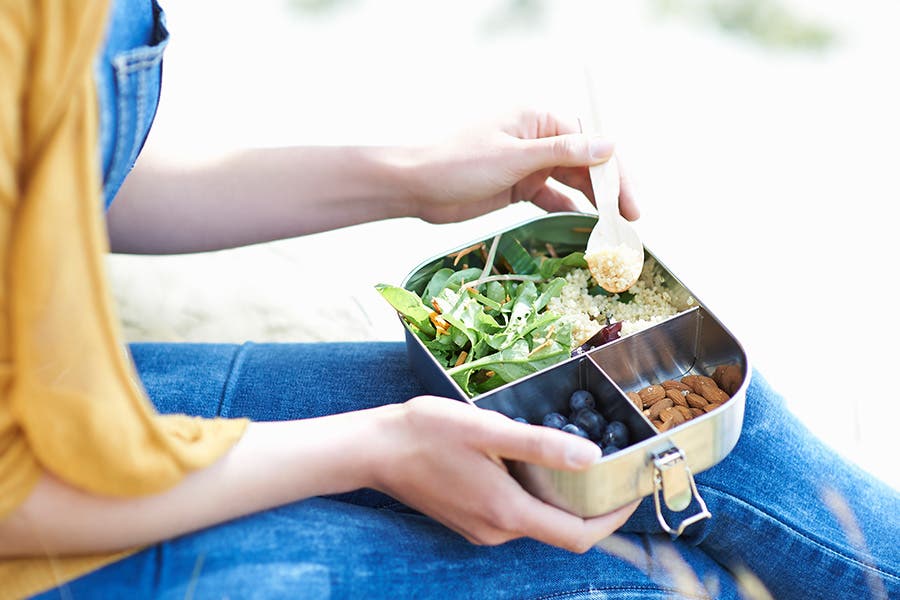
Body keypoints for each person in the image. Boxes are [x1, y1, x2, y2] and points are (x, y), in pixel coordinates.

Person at [0, 1, 897, 599]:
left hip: (47, 412)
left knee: (707, 440)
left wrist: (412, 178)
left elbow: (70, 170)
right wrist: (372, 450)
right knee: (625, 579)